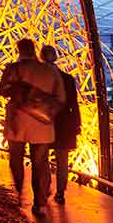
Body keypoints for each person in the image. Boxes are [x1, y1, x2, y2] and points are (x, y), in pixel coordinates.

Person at [0, 38, 66, 216]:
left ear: (19, 50)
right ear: (34, 50)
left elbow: (2, 91)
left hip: (17, 123)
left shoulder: (13, 69)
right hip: (43, 126)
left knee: (16, 161)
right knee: (40, 164)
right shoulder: (50, 71)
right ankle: (39, 203)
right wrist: (46, 110)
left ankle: (20, 194)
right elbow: (61, 98)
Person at [41, 45, 81, 204]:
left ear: (42, 58)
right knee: (62, 161)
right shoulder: (68, 79)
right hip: (64, 125)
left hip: (44, 123)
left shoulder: (40, 78)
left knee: (42, 158)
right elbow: (74, 104)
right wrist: (77, 124)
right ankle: (60, 192)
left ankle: (46, 186)